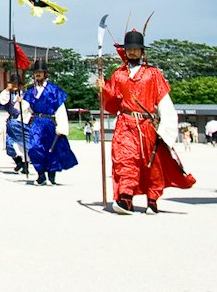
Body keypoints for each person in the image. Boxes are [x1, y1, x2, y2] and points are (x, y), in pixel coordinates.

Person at [96, 27, 194, 215]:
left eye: (135, 48)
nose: (132, 51)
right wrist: (104, 89)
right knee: (124, 160)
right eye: (129, 48)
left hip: (146, 125)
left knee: (151, 163)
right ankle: (125, 198)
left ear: (142, 51)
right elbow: (114, 104)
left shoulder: (153, 74)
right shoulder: (118, 75)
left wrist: (166, 129)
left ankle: (152, 198)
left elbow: (165, 103)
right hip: (125, 123)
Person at [22, 60, 78, 185]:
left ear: (45, 74)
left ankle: (51, 174)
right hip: (36, 122)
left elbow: (60, 108)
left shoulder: (53, 90)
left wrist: (62, 126)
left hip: (50, 122)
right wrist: (20, 104)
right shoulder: (31, 92)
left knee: (51, 148)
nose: (38, 74)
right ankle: (40, 174)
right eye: (36, 72)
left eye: (40, 72)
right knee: (34, 148)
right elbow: (25, 108)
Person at [0, 72, 29, 174]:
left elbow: (28, 107)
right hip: (11, 120)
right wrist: (6, 89)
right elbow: (2, 101)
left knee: (22, 144)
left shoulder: (25, 94)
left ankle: (25, 164)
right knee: (9, 145)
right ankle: (18, 161)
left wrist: (21, 101)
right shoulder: (8, 94)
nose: (14, 85)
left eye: (16, 83)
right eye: (13, 83)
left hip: (21, 120)